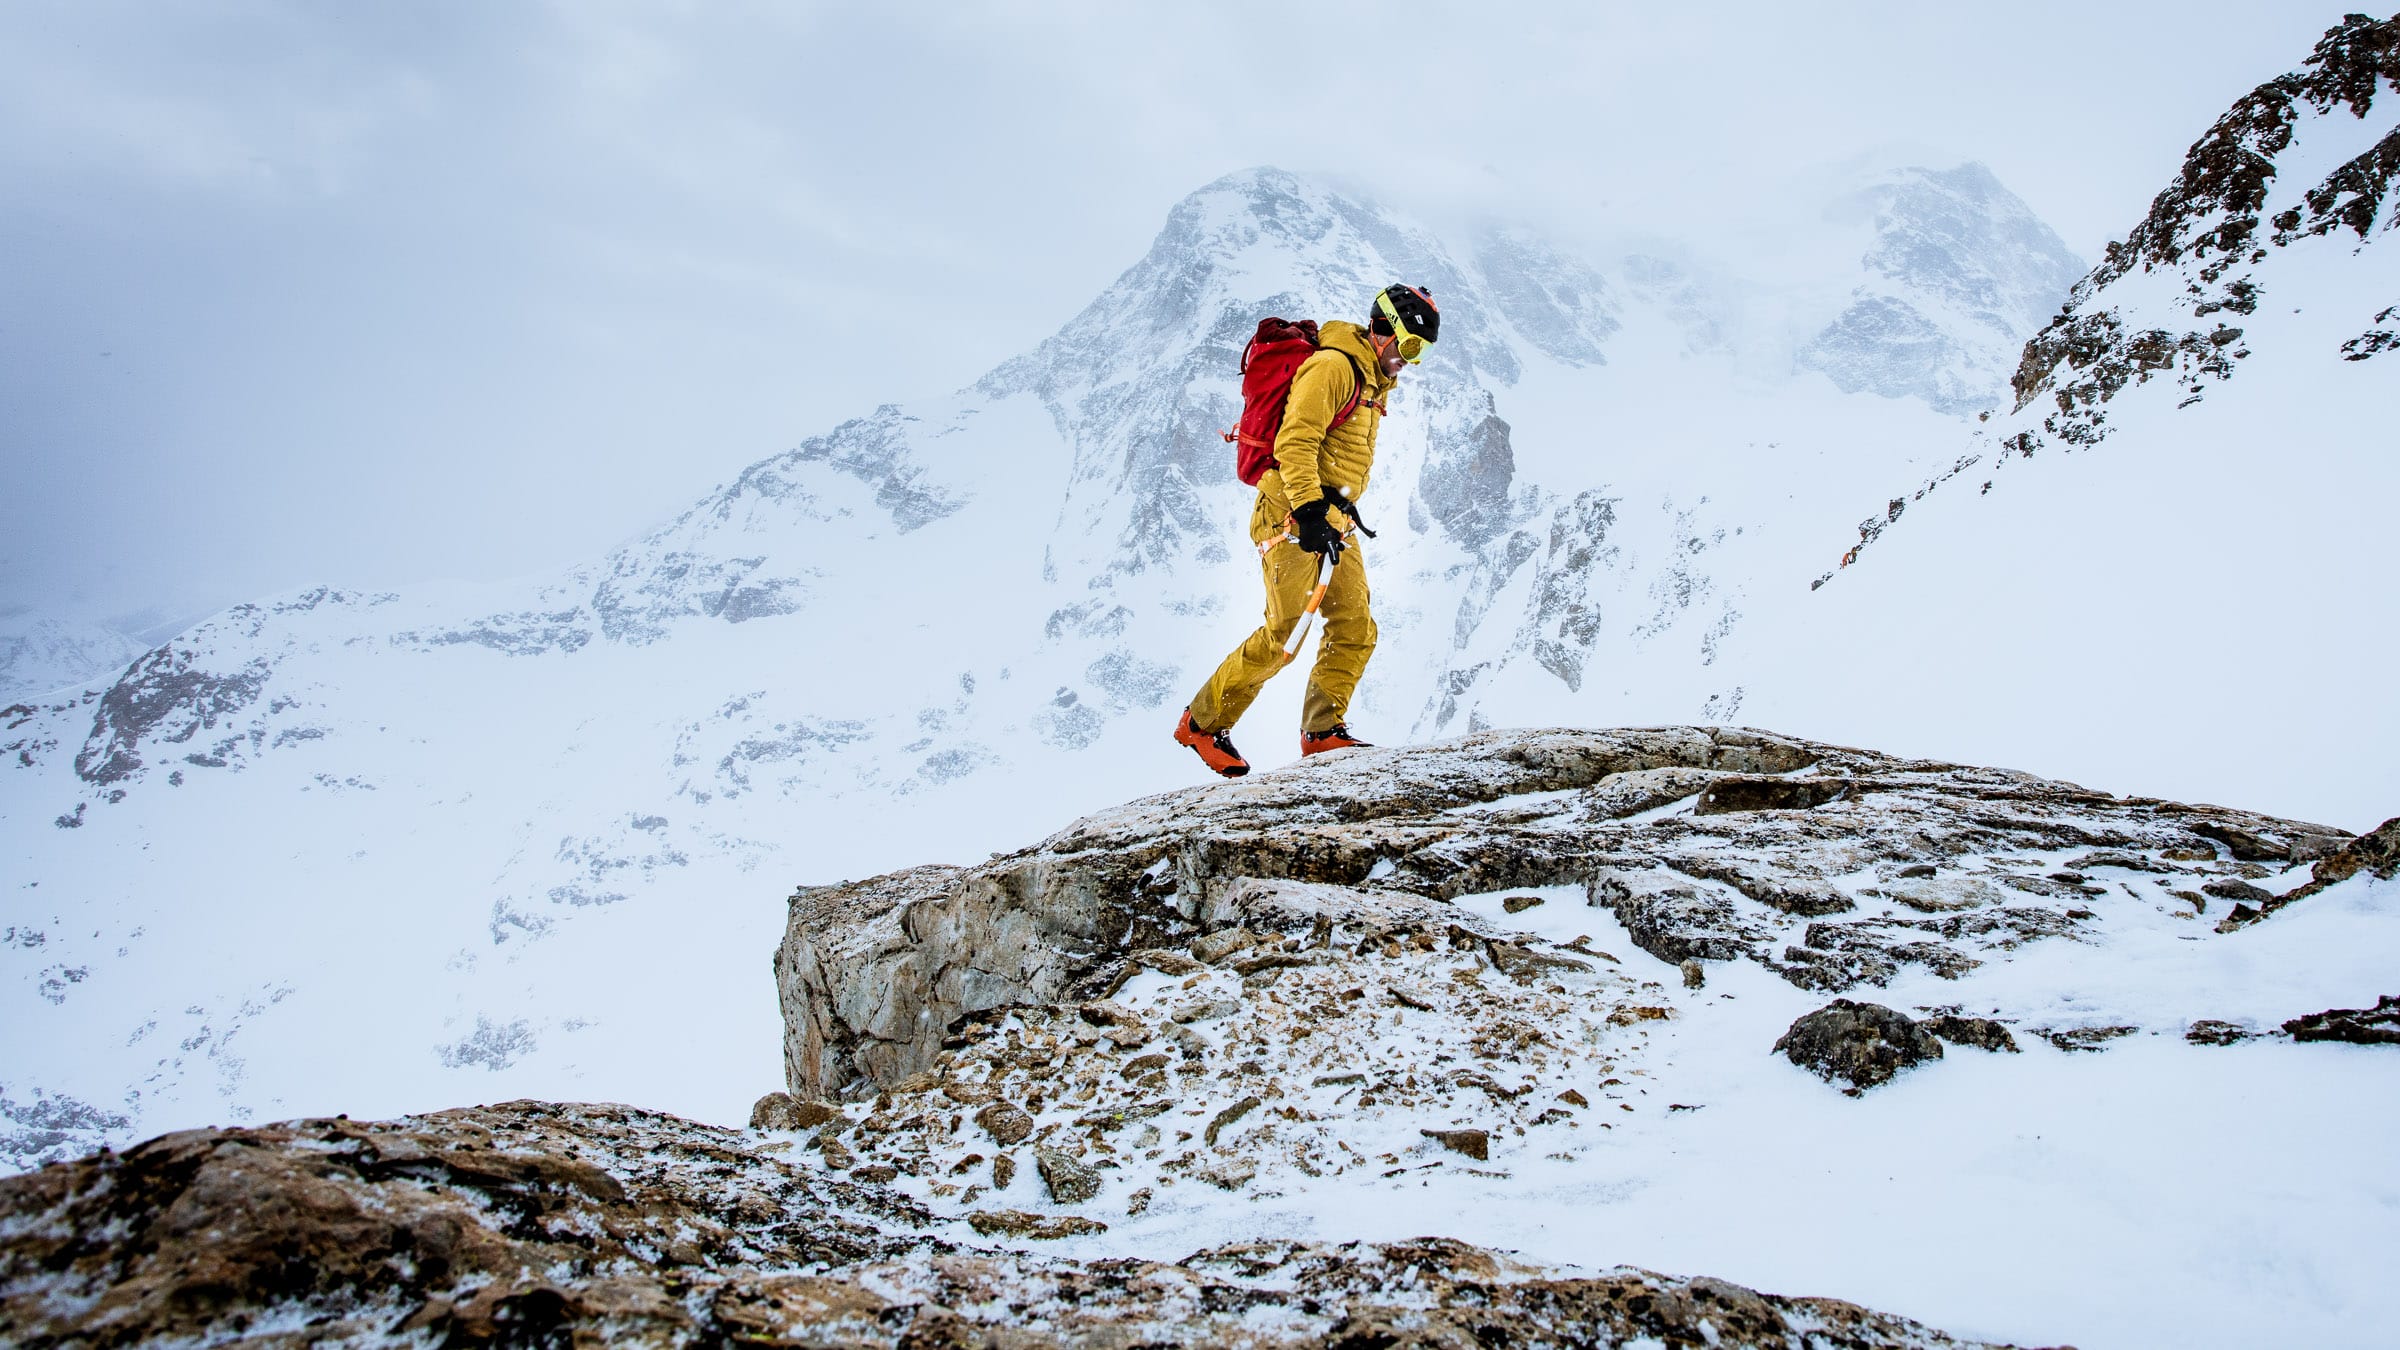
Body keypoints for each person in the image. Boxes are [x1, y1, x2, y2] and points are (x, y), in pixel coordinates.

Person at [1174, 283, 1441, 777]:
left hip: (1333, 521)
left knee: (1355, 626)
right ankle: (1203, 724)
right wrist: (1310, 512)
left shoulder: (1371, 382)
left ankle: (1322, 733)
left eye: (1420, 352)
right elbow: (1295, 443)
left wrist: (1329, 515)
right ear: (1381, 330)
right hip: (1291, 515)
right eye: (1408, 346)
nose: (1409, 361)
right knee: (1284, 634)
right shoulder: (1334, 368)